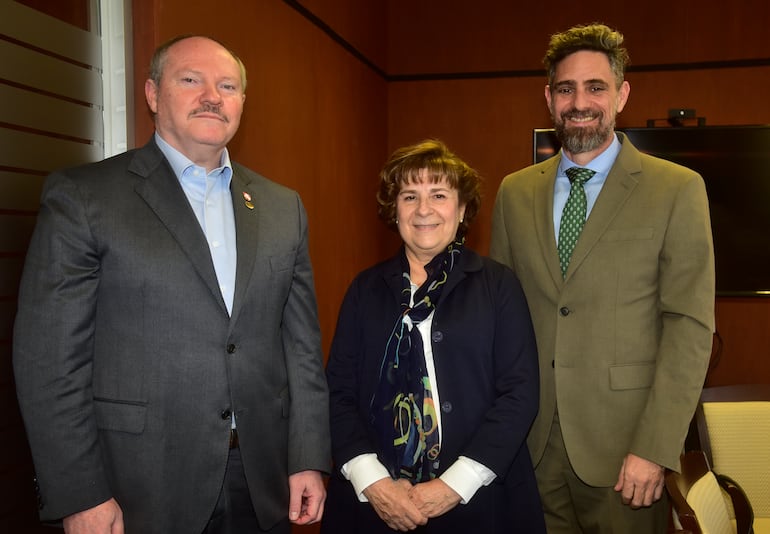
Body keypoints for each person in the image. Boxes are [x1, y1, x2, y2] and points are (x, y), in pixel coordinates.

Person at [13, 35, 330, 534]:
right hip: (137, 485)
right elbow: (48, 362)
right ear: (153, 94)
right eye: (191, 80)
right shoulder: (84, 197)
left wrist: (307, 455)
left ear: (242, 102)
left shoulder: (280, 206)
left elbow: (302, 347)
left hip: (260, 480)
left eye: (227, 85)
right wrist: (79, 494)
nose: (212, 95)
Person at [490, 23, 715, 533]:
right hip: (530, 447)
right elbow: (498, 320)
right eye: (566, 88)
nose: (580, 101)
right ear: (549, 99)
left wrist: (655, 448)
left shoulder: (676, 189)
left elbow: (689, 327)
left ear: (622, 94)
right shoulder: (514, 193)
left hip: (626, 456)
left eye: (596, 87)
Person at [322, 139, 545, 533]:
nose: (424, 210)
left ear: (461, 210)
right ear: (395, 210)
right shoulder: (364, 289)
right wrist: (373, 482)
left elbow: (519, 394)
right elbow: (337, 392)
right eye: (410, 196)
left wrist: (452, 486)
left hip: (480, 502)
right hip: (373, 507)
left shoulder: (498, 286)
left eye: (438, 195)